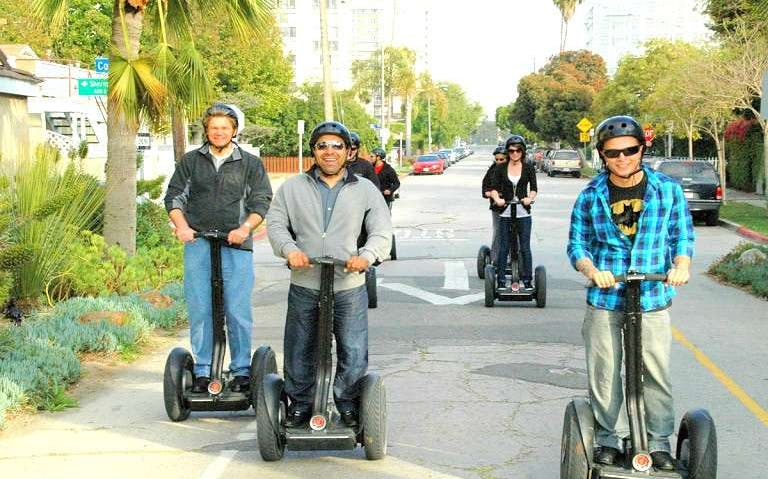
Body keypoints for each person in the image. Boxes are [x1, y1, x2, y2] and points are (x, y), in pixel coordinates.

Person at [567, 115, 695, 471]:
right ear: (602, 156)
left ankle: (657, 441)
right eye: (613, 153)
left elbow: (681, 235)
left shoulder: (666, 189)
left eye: (630, 150)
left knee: (655, 371)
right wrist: (592, 271)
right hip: (606, 299)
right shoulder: (590, 195)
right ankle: (609, 437)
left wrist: (681, 265)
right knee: (605, 371)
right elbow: (577, 245)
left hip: (653, 297)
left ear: (642, 149)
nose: (622, 158)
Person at [267, 121, 392, 428]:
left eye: (337, 146)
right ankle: (300, 403)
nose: (330, 152)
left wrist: (366, 256)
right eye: (323, 146)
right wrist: (289, 249)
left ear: (348, 151)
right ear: (314, 151)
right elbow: (276, 223)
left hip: (348, 283)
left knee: (352, 347)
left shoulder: (364, 189)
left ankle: (348, 404)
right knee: (300, 346)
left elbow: (382, 230)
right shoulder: (293, 187)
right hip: (305, 281)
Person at [164, 103, 273, 394]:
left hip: (236, 244)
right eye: (214, 127)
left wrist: (245, 228)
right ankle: (202, 369)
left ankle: (241, 370)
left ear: (234, 130)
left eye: (225, 127)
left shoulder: (250, 163)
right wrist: (182, 227)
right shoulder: (191, 161)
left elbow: (261, 200)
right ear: (207, 130)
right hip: (199, 242)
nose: (219, 132)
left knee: (236, 309)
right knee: (200, 307)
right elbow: (174, 197)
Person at [487, 135, 538, 290]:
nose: (515, 153)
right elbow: (494, 188)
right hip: (505, 211)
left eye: (518, 150)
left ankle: (527, 281)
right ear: (508, 152)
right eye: (511, 151)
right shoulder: (500, 168)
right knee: (504, 246)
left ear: (523, 151)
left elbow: (534, 188)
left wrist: (530, 198)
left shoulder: (528, 167)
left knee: (525, 247)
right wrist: (497, 198)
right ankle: (501, 280)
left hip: (523, 212)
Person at [482, 146, 508, 262]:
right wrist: (488, 193)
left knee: (516, 234)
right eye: (496, 159)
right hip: (497, 207)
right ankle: (495, 259)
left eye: (501, 159)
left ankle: (516, 259)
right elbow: (485, 185)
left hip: (514, 206)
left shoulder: (513, 169)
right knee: (498, 232)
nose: (498, 162)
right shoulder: (492, 170)